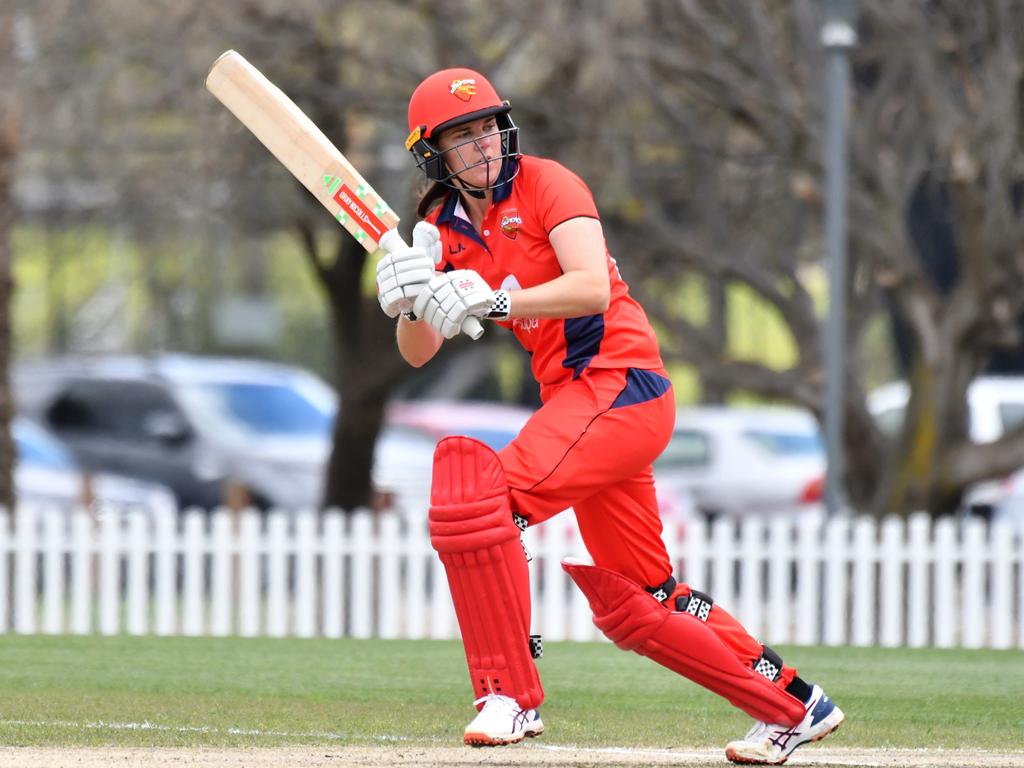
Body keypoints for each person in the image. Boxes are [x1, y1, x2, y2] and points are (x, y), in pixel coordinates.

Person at [374, 67, 844, 765]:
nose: (483, 145)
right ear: (433, 153)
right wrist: (410, 298)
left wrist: (490, 301)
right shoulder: (438, 227)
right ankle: (794, 706)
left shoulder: (548, 183)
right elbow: (420, 352)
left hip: (620, 384)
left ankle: (509, 697)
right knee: (639, 601)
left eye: (487, 128)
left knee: (481, 504)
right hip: (578, 403)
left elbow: (591, 287)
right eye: (462, 136)